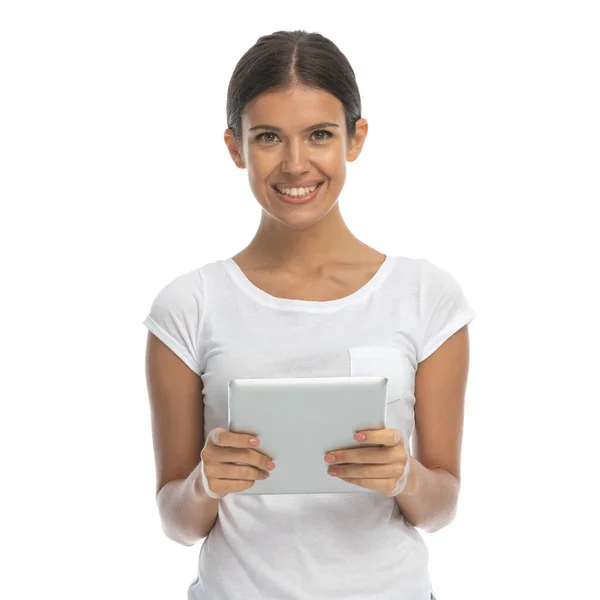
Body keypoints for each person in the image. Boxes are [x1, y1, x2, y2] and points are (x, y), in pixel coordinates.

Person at [143, 29, 476, 600]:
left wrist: (404, 476)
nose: (296, 165)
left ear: (355, 137)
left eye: (319, 134)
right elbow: (177, 522)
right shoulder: (187, 306)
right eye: (268, 137)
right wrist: (205, 485)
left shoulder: (426, 296)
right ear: (234, 147)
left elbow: (439, 507)